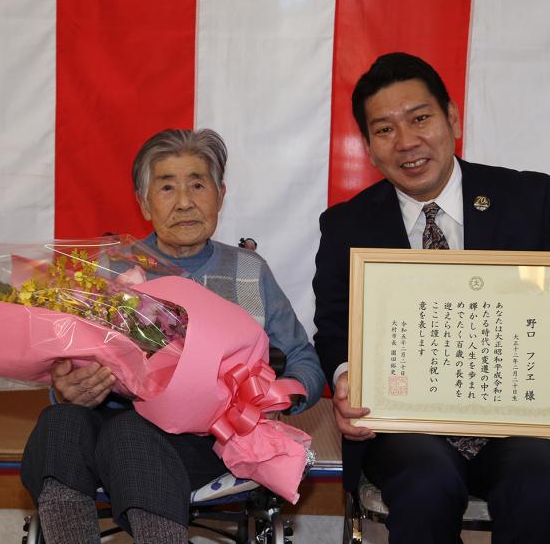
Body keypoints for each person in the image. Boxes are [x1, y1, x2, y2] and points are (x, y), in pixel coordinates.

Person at [312, 52, 550, 544]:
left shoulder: (529, 198)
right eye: (385, 130)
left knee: (537, 483)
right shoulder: (347, 225)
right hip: (408, 430)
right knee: (425, 483)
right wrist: (348, 379)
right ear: (368, 147)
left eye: (420, 119)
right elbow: (333, 326)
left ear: (452, 117)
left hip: (521, 422)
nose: (407, 142)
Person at [21, 128, 325, 544]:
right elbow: (67, 363)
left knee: (129, 433)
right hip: (108, 424)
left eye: (197, 185)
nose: (184, 201)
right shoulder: (112, 267)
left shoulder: (250, 271)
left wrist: (271, 399)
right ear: (144, 202)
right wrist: (66, 389)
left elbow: (303, 360)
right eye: (167, 187)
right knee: (59, 422)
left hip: (210, 441)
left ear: (220, 194)